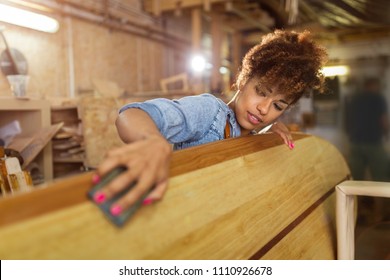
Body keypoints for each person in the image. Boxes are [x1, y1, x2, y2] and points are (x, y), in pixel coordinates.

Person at [92, 29, 328, 217]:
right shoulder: (209, 112)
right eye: (261, 91)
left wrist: (268, 134)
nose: (264, 108)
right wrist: (152, 141)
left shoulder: (257, 133)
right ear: (243, 79)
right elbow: (131, 114)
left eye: (278, 105)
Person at [344, 77, 389, 181]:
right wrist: (386, 134)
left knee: (356, 176)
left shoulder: (354, 99)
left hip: (355, 142)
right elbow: (384, 120)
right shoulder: (378, 98)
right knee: (380, 175)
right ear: (374, 85)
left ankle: (358, 197)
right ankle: (379, 197)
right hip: (373, 142)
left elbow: (348, 119)